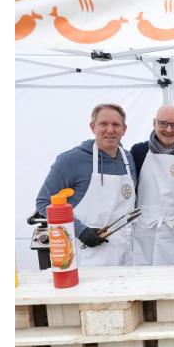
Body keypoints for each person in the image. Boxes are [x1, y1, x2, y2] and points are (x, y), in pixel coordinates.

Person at [36, 103, 137, 267]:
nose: (110, 130)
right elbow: (44, 202)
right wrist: (80, 230)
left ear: (124, 129)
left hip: (125, 253)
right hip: (88, 253)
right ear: (92, 127)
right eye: (103, 124)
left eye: (116, 125)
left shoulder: (128, 159)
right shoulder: (70, 160)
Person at [129, 105, 174, 266]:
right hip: (145, 230)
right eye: (163, 123)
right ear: (154, 123)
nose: (169, 129)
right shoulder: (138, 152)